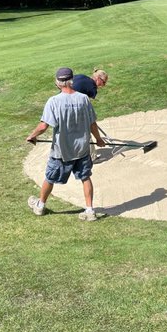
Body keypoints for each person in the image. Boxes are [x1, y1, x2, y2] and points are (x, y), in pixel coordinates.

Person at [26, 67, 107, 221]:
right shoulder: (83, 98)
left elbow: (44, 126)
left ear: (58, 83)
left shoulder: (54, 101)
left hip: (62, 150)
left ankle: (40, 206)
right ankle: (90, 211)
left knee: (50, 178)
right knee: (85, 177)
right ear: (72, 80)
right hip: (82, 149)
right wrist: (98, 139)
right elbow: (92, 124)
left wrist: (32, 136)